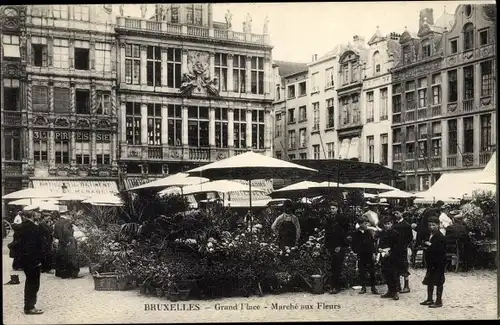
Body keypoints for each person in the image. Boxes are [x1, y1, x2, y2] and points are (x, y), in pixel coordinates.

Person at [8, 211, 46, 314]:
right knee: (33, 284)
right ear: (33, 216)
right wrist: (39, 260)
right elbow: (37, 246)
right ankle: (30, 307)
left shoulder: (20, 227)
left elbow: (15, 243)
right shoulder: (34, 229)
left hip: (23, 260)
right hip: (33, 260)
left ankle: (28, 306)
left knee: (29, 283)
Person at [420, 214, 447, 308]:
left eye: (433, 225)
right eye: (430, 225)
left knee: (439, 281)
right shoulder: (429, 235)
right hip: (431, 261)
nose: (431, 227)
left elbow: (440, 250)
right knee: (429, 280)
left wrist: (430, 245)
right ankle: (429, 299)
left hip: (439, 262)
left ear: (438, 225)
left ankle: (439, 301)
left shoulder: (440, 236)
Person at [378, 214, 405, 301]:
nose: (387, 226)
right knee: (386, 273)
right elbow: (380, 243)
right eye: (385, 224)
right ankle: (390, 290)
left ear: (392, 224)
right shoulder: (382, 233)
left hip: (394, 256)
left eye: (389, 223)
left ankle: (396, 292)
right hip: (384, 256)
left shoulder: (395, 233)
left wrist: (390, 251)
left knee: (394, 274)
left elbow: (398, 246)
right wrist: (380, 249)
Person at [324, 202, 350, 294]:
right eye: (330, 208)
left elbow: (344, 233)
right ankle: (332, 285)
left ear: (337, 209)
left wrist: (340, 245)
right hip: (331, 245)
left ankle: (336, 286)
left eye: (333, 208)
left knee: (337, 266)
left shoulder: (342, 219)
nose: (331, 210)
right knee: (332, 266)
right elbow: (327, 233)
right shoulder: (328, 219)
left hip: (339, 245)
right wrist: (327, 246)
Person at [351, 216, 379, 294]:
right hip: (361, 254)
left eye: (367, 223)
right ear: (360, 224)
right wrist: (356, 252)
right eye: (365, 223)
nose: (366, 225)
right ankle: (363, 287)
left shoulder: (368, 232)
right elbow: (353, 244)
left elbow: (372, 243)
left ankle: (373, 287)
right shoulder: (355, 233)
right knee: (362, 271)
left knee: (372, 271)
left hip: (369, 254)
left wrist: (374, 253)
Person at [54, 214, 82, 279]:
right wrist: (68, 241)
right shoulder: (67, 222)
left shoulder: (56, 223)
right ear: (66, 215)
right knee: (72, 256)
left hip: (61, 243)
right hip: (69, 241)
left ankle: (64, 274)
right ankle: (73, 274)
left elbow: (55, 235)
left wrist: (61, 240)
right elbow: (67, 231)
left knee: (62, 257)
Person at [392, 206, 413, 293]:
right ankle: (398, 285)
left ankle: (406, 286)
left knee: (404, 267)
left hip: (403, 248)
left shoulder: (406, 225)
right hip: (395, 249)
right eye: (395, 213)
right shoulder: (393, 224)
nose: (396, 215)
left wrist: (405, 245)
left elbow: (410, 237)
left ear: (402, 213)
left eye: (397, 213)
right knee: (395, 267)